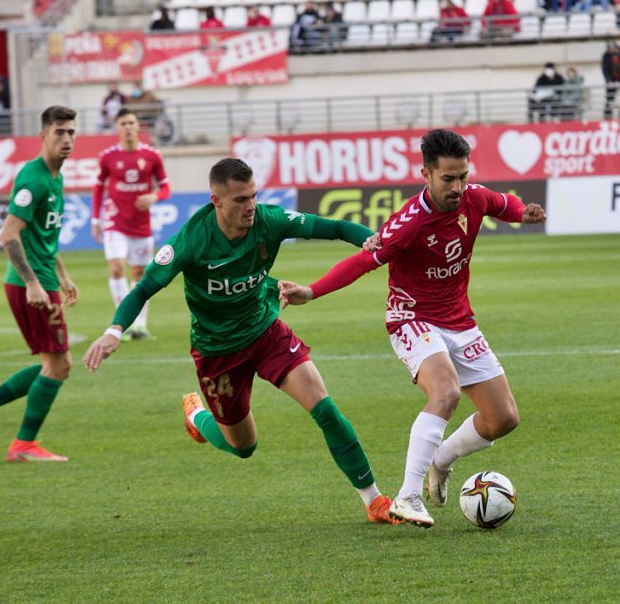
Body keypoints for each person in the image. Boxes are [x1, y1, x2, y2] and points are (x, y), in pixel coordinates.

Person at [82, 158, 401, 526]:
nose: (249, 206)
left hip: (265, 330)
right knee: (244, 447)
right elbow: (143, 289)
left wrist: (369, 239)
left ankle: (374, 500)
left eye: (252, 196)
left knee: (325, 409)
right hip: (217, 352)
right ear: (215, 200)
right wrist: (113, 331)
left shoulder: (269, 220)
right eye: (239, 200)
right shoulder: (191, 240)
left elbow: (334, 226)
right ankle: (198, 416)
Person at [277, 129, 548, 527]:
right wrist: (312, 291)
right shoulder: (408, 223)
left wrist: (522, 213)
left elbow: (503, 204)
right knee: (446, 391)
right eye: (448, 179)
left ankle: (441, 458)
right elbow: (362, 262)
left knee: (503, 418)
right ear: (425, 173)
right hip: (412, 318)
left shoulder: (472, 196)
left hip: (460, 321)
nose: (458, 187)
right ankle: (407, 496)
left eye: (463, 176)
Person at [0, 106, 81, 463]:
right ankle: (23, 445)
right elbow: (8, 234)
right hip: (31, 285)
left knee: (55, 364)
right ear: (43, 136)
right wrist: (34, 284)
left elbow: (42, 236)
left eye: (71, 132)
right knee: (59, 366)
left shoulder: (55, 177)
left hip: (44, 279)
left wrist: (62, 274)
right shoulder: (34, 178)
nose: (67, 139)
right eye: (59, 132)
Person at [91, 107, 170, 341]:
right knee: (116, 267)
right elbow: (98, 188)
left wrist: (154, 196)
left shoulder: (152, 155)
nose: (127, 127)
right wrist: (95, 219)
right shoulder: (108, 157)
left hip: (141, 226)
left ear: (138, 127)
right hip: (115, 222)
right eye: (123, 123)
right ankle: (121, 322)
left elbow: (165, 187)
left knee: (140, 274)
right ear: (117, 128)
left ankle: (140, 325)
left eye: (131, 123)